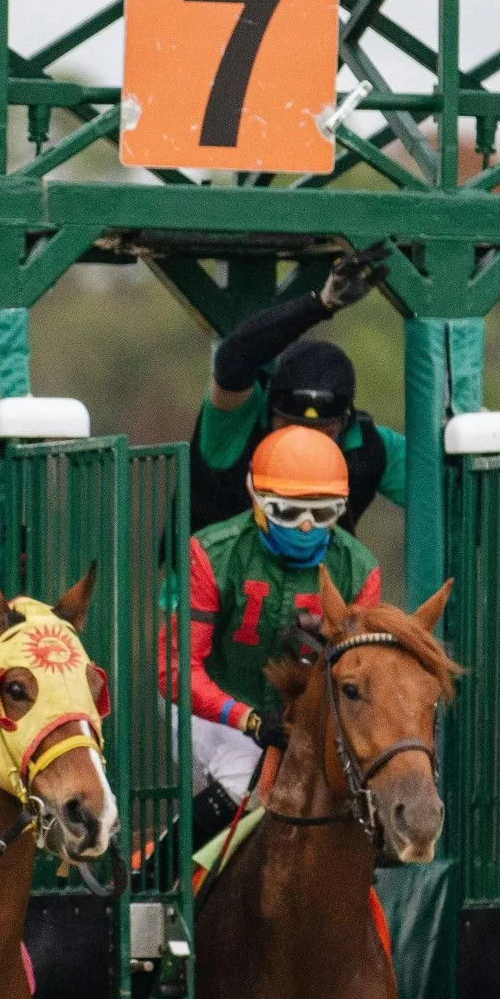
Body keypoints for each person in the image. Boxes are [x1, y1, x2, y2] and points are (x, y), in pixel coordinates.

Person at [182, 425, 382, 819]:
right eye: (288, 513)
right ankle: (159, 871)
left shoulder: (361, 570)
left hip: (301, 720)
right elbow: (175, 670)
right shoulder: (210, 555)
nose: (306, 526)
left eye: (322, 513)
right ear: (256, 500)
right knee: (244, 778)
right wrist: (249, 719)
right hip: (208, 709)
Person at [188, 244, 404, 533]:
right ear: (268, 409)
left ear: (344, 423)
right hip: (206, 577)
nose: (305, 443)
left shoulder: (368, 446)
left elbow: (449, 483)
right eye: (290, 426)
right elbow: (232, 359)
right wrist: (321, 304)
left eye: (323, 431)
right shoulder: (234, 426)